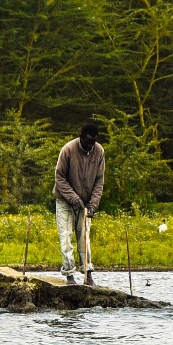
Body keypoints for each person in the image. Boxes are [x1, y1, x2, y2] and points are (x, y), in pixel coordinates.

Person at [53, 121, 105, 285]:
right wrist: (74, 198)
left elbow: (99, 181)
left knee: (84, 239)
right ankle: (69, 276)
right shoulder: (68, 149)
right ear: (81, 137)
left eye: (93, 142)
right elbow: (59, 178)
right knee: (66, 237)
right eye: (88, 141)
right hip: (65, 201)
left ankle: (87, 275)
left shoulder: (99, 151)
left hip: (86, 203)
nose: (91, 145)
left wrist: (93, 204)